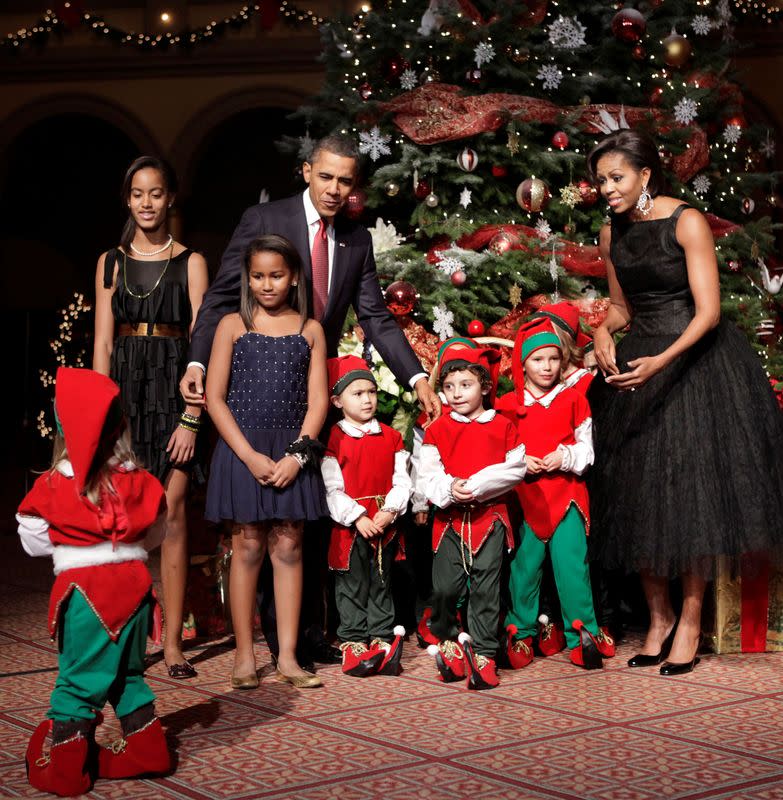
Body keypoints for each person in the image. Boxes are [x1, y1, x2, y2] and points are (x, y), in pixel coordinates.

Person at [587, 129, 783, 675]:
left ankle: (691, 621)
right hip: (636, 366)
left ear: (645, 176)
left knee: (687, 491)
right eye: (600, 180)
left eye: (616, 177)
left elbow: (708, 313)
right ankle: (658, 617)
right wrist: (604, 331)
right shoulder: (612, 233)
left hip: (693, 361)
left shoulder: (687, 220)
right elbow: (622, 309)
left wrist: (661, 361)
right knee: (638, 491)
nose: (606, 189)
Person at [180, 134, 439, 420]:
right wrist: (197, 363)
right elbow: (222, 297)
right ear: (307, 172)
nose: (333, 190)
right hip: (258, 384)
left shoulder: (357, 240)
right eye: (325, 177)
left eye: (344, 181)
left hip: (319, 387)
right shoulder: (264, 220)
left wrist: (418, 379)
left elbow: (375, 316)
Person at [18, 368, 170, 797]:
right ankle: (147, 749)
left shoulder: (52, 486)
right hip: (137, 587)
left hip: (86, 595)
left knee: (76, 682)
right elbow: (156, 533)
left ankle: (65, 772)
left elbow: (32, 543)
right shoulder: (143, 481)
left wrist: (73, 535)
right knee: (127, 674)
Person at [93, 156, 208, 679]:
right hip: (123, 393)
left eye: (156, 193)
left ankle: (178, 642)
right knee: (129, 521)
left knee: (175, 511)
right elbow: (100, 343)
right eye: (137, 193)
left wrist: (191, 415)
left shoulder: (191, 262)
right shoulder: (109, 263)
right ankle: (135, 632)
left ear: (170, 198)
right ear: (127, 199)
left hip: (174, 389)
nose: (146, 203)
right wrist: (99, 412)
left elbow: (200, 342)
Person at [204, 235, 328, 690]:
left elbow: (317, 403)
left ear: (293, 275)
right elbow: (216, 400)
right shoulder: (232, 325)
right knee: (249, 547)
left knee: (289, 548)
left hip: (292, 451)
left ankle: (289, 657)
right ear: (247, 277)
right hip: (243, 450)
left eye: (276, 275)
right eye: (258, 276)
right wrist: (249, 455)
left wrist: (297, 455)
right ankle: (243, 656)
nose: (267, 284)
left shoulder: (309, 329)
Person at [499, 319, 611, 670]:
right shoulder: (507, 404)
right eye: (537, 360)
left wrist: (564, 456)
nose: (546, 367)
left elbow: (586, 450)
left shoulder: (574, 400)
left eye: (552, 359)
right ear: (523, 363)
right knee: (525, 569)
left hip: (568, 495)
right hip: (526, 498)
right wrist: (520, 463)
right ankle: (521, 632)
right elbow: (498, 452)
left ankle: (583, 634)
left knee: (572, 567)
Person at [417, 342, 526, 690]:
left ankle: (483, 653)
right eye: (448, 387)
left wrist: (475, 485)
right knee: (446, 588)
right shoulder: (437, 429)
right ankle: (449, 642)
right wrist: (450, 489)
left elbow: (515, 469)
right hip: (448, 520)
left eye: (465, 385)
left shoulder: (503, 426)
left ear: (485, 386)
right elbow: (428, 475)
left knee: (486, 589)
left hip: (490, 519)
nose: (456, 393)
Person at [321, 355, 412, 677]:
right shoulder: (335, 437)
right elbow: (332, 486)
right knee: (351, 582)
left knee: (381, 580)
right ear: (337, 400)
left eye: (371, 392)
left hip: (383, 521)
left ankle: (381, 634)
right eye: (357, 393)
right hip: (351, 524)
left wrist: (389, 511)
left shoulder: (391, 436)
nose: (367, 399)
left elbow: (403, 479)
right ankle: (352, 636)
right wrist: (357, 516)